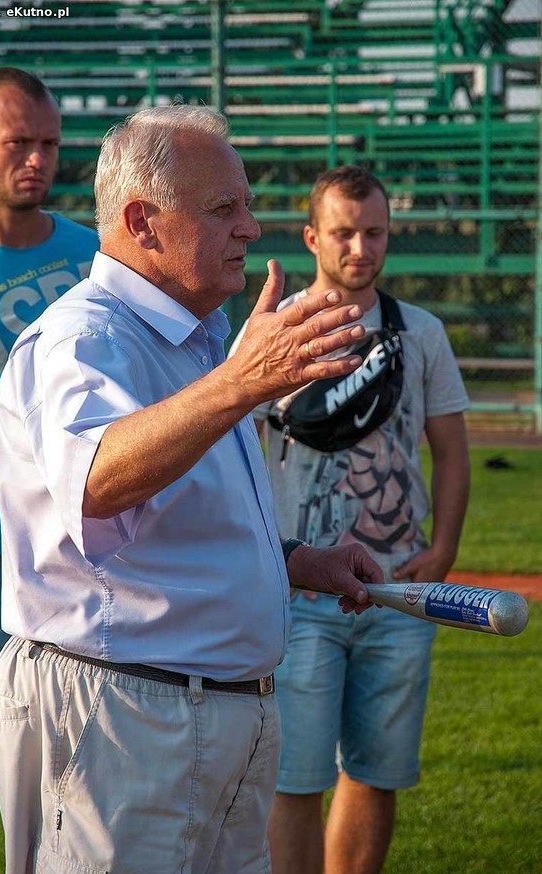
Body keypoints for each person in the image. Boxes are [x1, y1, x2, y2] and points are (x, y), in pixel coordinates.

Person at [0, 106, 383, 874]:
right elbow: (97, 481)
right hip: (128, 719)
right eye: (224, 208)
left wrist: (297, 560)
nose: (250, 227)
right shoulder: (86, 337)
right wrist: (240, 383)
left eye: (246, 205)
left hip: (201, 713)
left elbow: (179, 516)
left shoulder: (194, 338)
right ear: (143, 221)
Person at [234, 165, 471, 874]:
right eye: (343, 232)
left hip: (399, 590)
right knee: (296, 778)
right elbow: (230, 453)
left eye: (374, 232)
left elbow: (452, 454)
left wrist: (446, 547)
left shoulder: (420, 332)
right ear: (312, 237)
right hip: (302, 594)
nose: (360, 247)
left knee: (377, 771)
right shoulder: (275, 332)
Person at [0, 66, 98, 873]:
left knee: (77, 789)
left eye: (50, 144)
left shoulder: (94, 256)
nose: (38, 161)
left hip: (75, 562)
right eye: (19, 144)